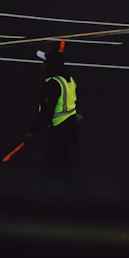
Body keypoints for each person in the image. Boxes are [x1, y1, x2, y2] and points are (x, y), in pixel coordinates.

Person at [27, 41, 80, 188]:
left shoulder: (52, 85)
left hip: (58, 131)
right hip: (70, 128)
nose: (42, 64)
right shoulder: (68, 79)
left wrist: (33, 131)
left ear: (50, 65)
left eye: (44, 61)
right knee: (62, 163)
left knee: (52, 162)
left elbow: (46, 111)